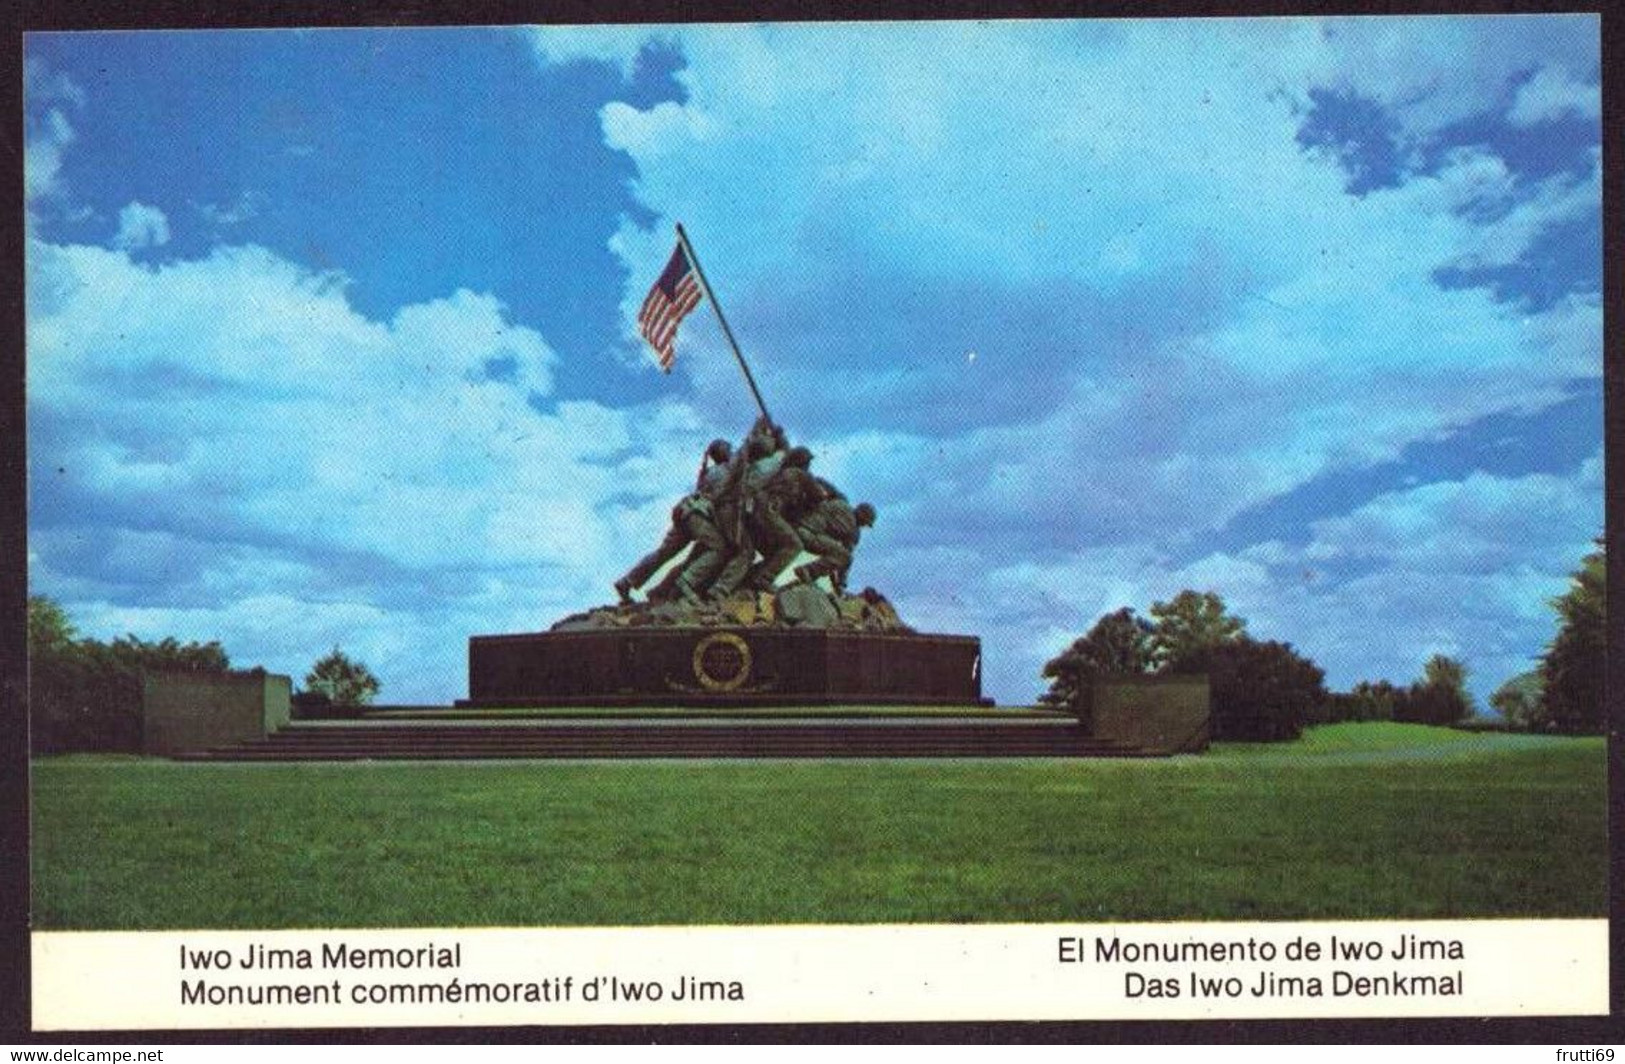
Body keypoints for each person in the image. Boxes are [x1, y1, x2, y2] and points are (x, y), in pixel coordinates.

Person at [613, 439, 732, 606]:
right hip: (698, 515)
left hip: (685, 512)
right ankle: (685, 583)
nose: (732, 452)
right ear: (722, 453)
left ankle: (627, 582)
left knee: (663, 553)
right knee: (718, 547)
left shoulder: (709, 472)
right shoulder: (727, 470)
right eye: (729, 449)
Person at [794, 498, 875, 594]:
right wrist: (840, 584)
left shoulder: (841, 503)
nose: (864, 525)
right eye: (866, 522)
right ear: (862, 515)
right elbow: (845, 559)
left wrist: (836, 580)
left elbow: (835, 560)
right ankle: (808, 571)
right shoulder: (853, 528)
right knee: (846, 557)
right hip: (809, 534)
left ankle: (808, 575)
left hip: (800, 526)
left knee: (839, 556)